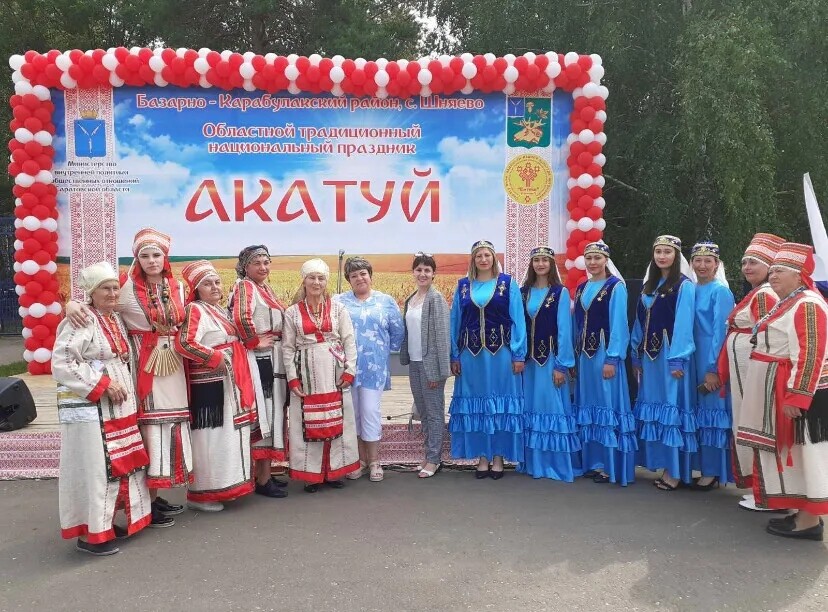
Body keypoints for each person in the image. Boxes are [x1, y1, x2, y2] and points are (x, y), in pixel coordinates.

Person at [66, 228, 191, 526]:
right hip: (139, 359)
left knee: (170, 425)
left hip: (171, 362)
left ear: (165, 257)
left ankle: (156, 495)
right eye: (144, 256)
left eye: (156, 255)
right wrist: (70, 304)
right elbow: (97, 300)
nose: (151, 261)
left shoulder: (178, 287)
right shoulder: (124, 284)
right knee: (147, 427)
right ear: (136, 258)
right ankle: (145, 500)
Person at [52, 262, 152, 555]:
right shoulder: (80, 320)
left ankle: (105, 523)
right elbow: (62, 363)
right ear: (92, 293)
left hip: (118, 409)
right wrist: (103, 384)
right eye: (104, 289)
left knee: (119, 467)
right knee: (97, 468)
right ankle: (91, 533)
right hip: (91, 409)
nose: (111, 293)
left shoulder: (115, 318)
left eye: (114, 288)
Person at [736, 243, 828, 541]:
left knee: (806, 453)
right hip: (781, 387)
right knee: (795, 454)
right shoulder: (790, 300)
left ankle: (810, 520)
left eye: (779, 271)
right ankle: (801, 512)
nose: (772, 276)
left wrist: (798, 395)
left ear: (799, 275)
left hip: (801, 392)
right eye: (772, 270)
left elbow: (811, 351)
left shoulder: (809, 303)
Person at [175, 260, 257, 512]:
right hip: (209, 386)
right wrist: (216, 357)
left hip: (227, 382)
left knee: (227, 437)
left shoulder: (219, 310)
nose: (214, 287)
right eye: (207, 284)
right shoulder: (195, 310)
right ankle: (202, 494)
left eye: (217, 282)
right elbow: (185, 343)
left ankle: (227, 486)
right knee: (209, 438)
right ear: (196, 289)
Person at [449, 240, 527, 479]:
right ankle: (482, 456)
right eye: (478, 255)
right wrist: (454, 353)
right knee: (476, 404)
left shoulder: (507, 283)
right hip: (471, 357)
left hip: (500, 355)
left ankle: (499, 457)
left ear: (493, 258)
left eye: (487, 255)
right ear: (473, 260)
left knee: (499, 404)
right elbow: (455, 321)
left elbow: (518, 319)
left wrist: (518, 353)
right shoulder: (463, 286)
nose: (483, 259)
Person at [282, 259, 360, 492]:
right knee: (308, 420)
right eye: (312, 277)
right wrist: (292, 378)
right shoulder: (292, 312)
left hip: (334, 371)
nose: (316, 282)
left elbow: (349, 340)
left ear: (326, 282)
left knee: (337, 418)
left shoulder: (338, 309)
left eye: (321, 278)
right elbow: (287, 347)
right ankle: (312, 474)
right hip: (306, 373)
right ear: (304, 280)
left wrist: (350, 370)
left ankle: (335, 471)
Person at [720, 233, 784, 511]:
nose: (747, 268)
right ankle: (760, 489)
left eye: (754, 263)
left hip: (754, 372)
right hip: (745, 371)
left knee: (755, 426)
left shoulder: (765, 295)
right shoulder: (757, 292)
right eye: (744, 262)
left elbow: (768, 335)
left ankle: (766, 491)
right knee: (748, 425)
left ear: (769, 266)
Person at [631, 235, 697, 491]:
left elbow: (683, 325)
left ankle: (675, 470)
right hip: (649, 358)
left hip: (670, 356)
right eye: (658, 251)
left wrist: (677, 358)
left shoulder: (684, 286)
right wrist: (636, 354)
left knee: (672, 409)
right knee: (656, 407)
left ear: (676, 255)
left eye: (667, 252)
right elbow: (638, 322)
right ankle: (661, 462)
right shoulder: (649, 285)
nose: (662, 256)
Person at [335, 257, 404, 483]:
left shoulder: (385, 301)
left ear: (370, 276)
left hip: (374, 368)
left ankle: (375, 461)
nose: (359, 278)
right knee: (353, 414)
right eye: (353, 275)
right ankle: (360, 461)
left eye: (363, 273)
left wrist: (382, 351)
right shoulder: (339, 302)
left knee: (370, 412)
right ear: (349, 280)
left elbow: (398, 332)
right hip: (348, 369)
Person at [573, 241, 636, 486]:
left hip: (603, 354)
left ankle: (611, 465)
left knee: (607, 404)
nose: (592, 262)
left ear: (606, 260)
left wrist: (613, 357)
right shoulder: (581, 287)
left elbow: (619, 324)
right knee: (589, 404)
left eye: (597, 258)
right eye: (589, 258)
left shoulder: (615, 287)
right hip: (585, 357)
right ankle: (593, 461)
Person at [228, 245, 288, 499]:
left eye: (266, 262)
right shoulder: (245, 287)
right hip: (261, 358)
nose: (263, 267)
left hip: (271, 357)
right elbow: (241, 317)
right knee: (265, 413)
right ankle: (262, 479)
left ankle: (264, 475)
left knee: (273, 412)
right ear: (245, 266)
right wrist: (254, 342)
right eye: (257, 263)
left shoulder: (263, 288)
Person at [516, 247, 581, 481]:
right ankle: (533, 462)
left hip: (550, 360)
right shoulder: (522, 292)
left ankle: (555, 464)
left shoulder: (560, 293)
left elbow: (565, 330)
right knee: (531, 408)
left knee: (551, 407)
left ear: (551, 264)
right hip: (529, 363)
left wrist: (562, 364)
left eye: (545, 260)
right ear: (531, 264)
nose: (540, 264)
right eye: (536, 260)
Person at [399, 252, 451, 478]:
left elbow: (442, 336)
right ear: (413, 273)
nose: (422, 274)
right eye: (418, 270)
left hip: (431, 366)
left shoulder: (436, 298)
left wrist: (439, 371)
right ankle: (429, 454)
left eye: (427, 270)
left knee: (434, 412)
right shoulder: (411, 298)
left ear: (433, 274)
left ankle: (434, 459)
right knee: (423, 411)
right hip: (414, 362)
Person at [689, 241, 735, 490]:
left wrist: (714, 367)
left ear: (717, 264)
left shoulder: (720, 292)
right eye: (698, 260)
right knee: (700, 412)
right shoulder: (692, 289)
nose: (702, 265)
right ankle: (704, 466)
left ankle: (715, 470)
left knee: (713, 412)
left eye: (708, 261)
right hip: (694, 356)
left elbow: (721, 331)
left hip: (711, 356)